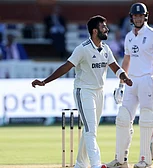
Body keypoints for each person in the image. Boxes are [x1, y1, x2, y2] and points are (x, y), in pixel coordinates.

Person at [31, 15, 133, 168]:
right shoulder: (83, 49)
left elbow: (115, 67)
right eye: (103, 27)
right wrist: (45, 81)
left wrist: (125, 77)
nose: (107, 29)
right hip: (84, 91)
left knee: (90, 128)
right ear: (94, 31)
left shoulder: (105, 48)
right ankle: (96, 164)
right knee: (91, 129)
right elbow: (66, 66)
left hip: (99, 92)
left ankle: (80, 163)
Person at [106, 2, 153, 168]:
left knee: (147, 118)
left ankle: (145, 160)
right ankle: (120, 159)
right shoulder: (128, 36)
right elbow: (127, 60)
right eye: (135, 16)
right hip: (130, 81)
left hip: (147, 80)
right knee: (122, 118)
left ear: (145, 16)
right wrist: (121, 84)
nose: (138, 18)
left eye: (141, 16)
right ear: (131, 18)